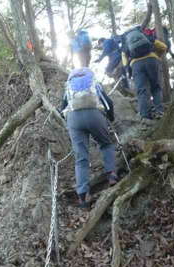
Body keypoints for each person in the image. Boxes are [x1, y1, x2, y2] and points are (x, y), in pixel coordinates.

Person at [60, 67, 119, 208]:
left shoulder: (69, 86)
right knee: (106, 144)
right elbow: (108, 103)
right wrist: (110, 118)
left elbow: (63, 107)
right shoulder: (93, 83)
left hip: (74, 118)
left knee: (81, 158)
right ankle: (111, 175)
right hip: (94, 115)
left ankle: (83, 196)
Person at [121, 26, 167, 123]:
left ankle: (145, 116)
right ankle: (159, 111)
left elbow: (124, 59)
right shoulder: (145, 35)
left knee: (142, 90)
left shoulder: (125, 42)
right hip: (151, 60)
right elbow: (163, 47)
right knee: (156, 87)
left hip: (136, 65)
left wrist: (128, 69)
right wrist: (156, 56)